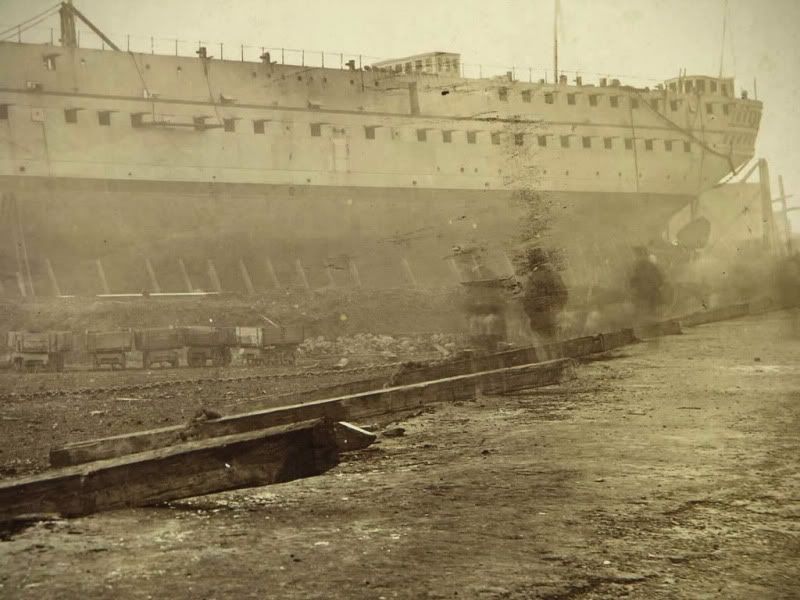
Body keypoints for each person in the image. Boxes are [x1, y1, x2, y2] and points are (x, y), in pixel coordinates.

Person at [519, 248, 568, 342]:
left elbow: (529, 301)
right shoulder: (551, 274)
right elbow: (563, 294)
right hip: (547, 318)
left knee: (550, 344)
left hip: (545, 319)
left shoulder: (539, 276)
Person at [629, 246, 666, 321]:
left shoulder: (639, 266)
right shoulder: (647, 266)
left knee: (648, 312)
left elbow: (633, 279)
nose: (637, 257)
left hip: (645, 293)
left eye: (637, 254)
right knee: (650, 312)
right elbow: (660, 279)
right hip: (648, 293)